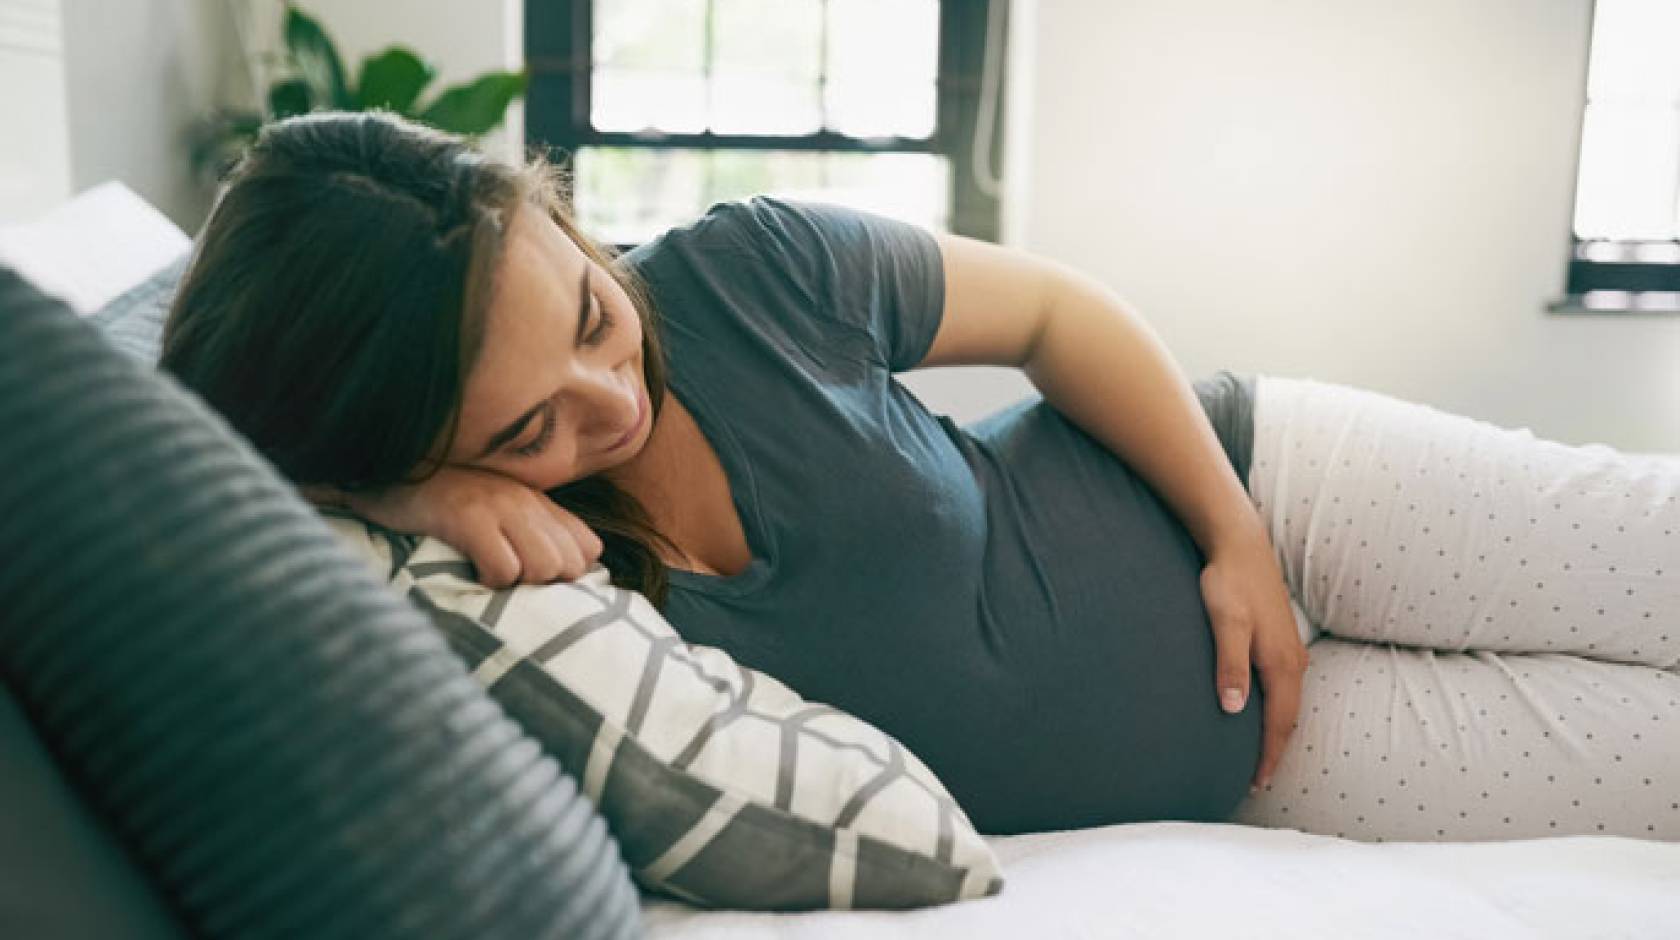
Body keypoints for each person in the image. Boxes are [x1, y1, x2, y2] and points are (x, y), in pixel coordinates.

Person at [159, 111, 1679, 841]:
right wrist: (399, 497)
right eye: (520, 433)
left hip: (1275, 490)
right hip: (1263, 756)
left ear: (562, 217)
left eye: (589, 318)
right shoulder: (504, 572)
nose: (604, 401)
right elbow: (196, 500)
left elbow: (1059, 314)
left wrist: (1235, 540)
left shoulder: (746, 268)